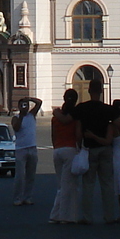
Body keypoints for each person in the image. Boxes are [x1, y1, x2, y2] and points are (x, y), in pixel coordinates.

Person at [72, 77, 119, 224]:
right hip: (105, 149)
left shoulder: (81, 109)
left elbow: (78, 131)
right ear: (101, 91)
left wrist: (79, 146)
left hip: (89, 149)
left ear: (89, 90)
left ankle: (87, 217)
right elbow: (118, 125)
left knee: (88, 184)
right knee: (107, 184)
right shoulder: (108, 110)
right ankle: (109, 216)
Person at [48, 90, 82, 223]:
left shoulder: (55, 117)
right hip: (70, 149)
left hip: (58, 150)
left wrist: (56, 146)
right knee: (70, 185)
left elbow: (53, 135)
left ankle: (57, 215)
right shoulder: (75, 116)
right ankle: (65, 216)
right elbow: (78, 134)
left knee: (61, 184)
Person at [9, 95, 42, 205]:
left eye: (26, 105)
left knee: (31, 175)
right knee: (20, 176)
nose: (25, 107)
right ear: (19, 107)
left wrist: (29, 99)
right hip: (21, 150)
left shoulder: (32, 115)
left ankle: (27, 197)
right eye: (23, 105)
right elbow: (16, 128)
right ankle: (17, 198)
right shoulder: (16, 118)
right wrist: (22, 115)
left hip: (32, 148)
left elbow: (39, 103)